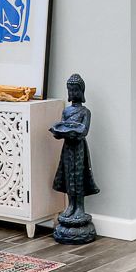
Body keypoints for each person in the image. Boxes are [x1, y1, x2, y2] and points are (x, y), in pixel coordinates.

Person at [51, 73, 98, 244]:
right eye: (70, 89)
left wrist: (72, 130)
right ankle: (70, 205)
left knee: (78, 177)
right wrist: (59, 131)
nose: (72, 92)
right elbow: (61, 128)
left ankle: (80, 207)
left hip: (78, 148)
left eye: (75, 89)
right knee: (68, 176)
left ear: (81, 91)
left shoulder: (86, 112)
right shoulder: (66, 111)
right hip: (67, 149)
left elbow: (83, 131)